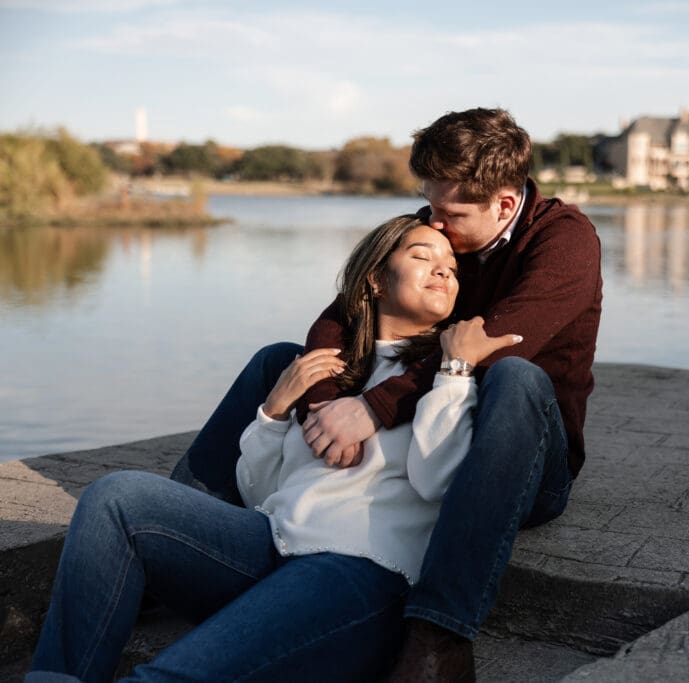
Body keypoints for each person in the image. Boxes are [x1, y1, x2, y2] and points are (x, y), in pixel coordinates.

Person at [172, 107, 603, 681]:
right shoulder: (439, 226)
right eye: (430, 205)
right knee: (282, 359)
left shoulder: (565, 242)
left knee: (513, 377)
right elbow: (342, 313)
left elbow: (497, 346)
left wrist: (372, 407)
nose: (436, 225)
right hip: (438, 418)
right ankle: (188, 517)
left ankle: (440, 634)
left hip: (523, 457)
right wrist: (325, 401)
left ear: (503, 204)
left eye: (451, 214)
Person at [29, 216, 522, 682]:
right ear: (373, 279)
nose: (444, 271)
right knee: (115, 497)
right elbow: (261, 490)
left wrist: (453, 375)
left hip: (356, 572)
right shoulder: (327, 371)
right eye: (422, 255)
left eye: (453, 268)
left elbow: (437, 483)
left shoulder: (444, 375)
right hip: (268, 544)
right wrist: (275, 410)